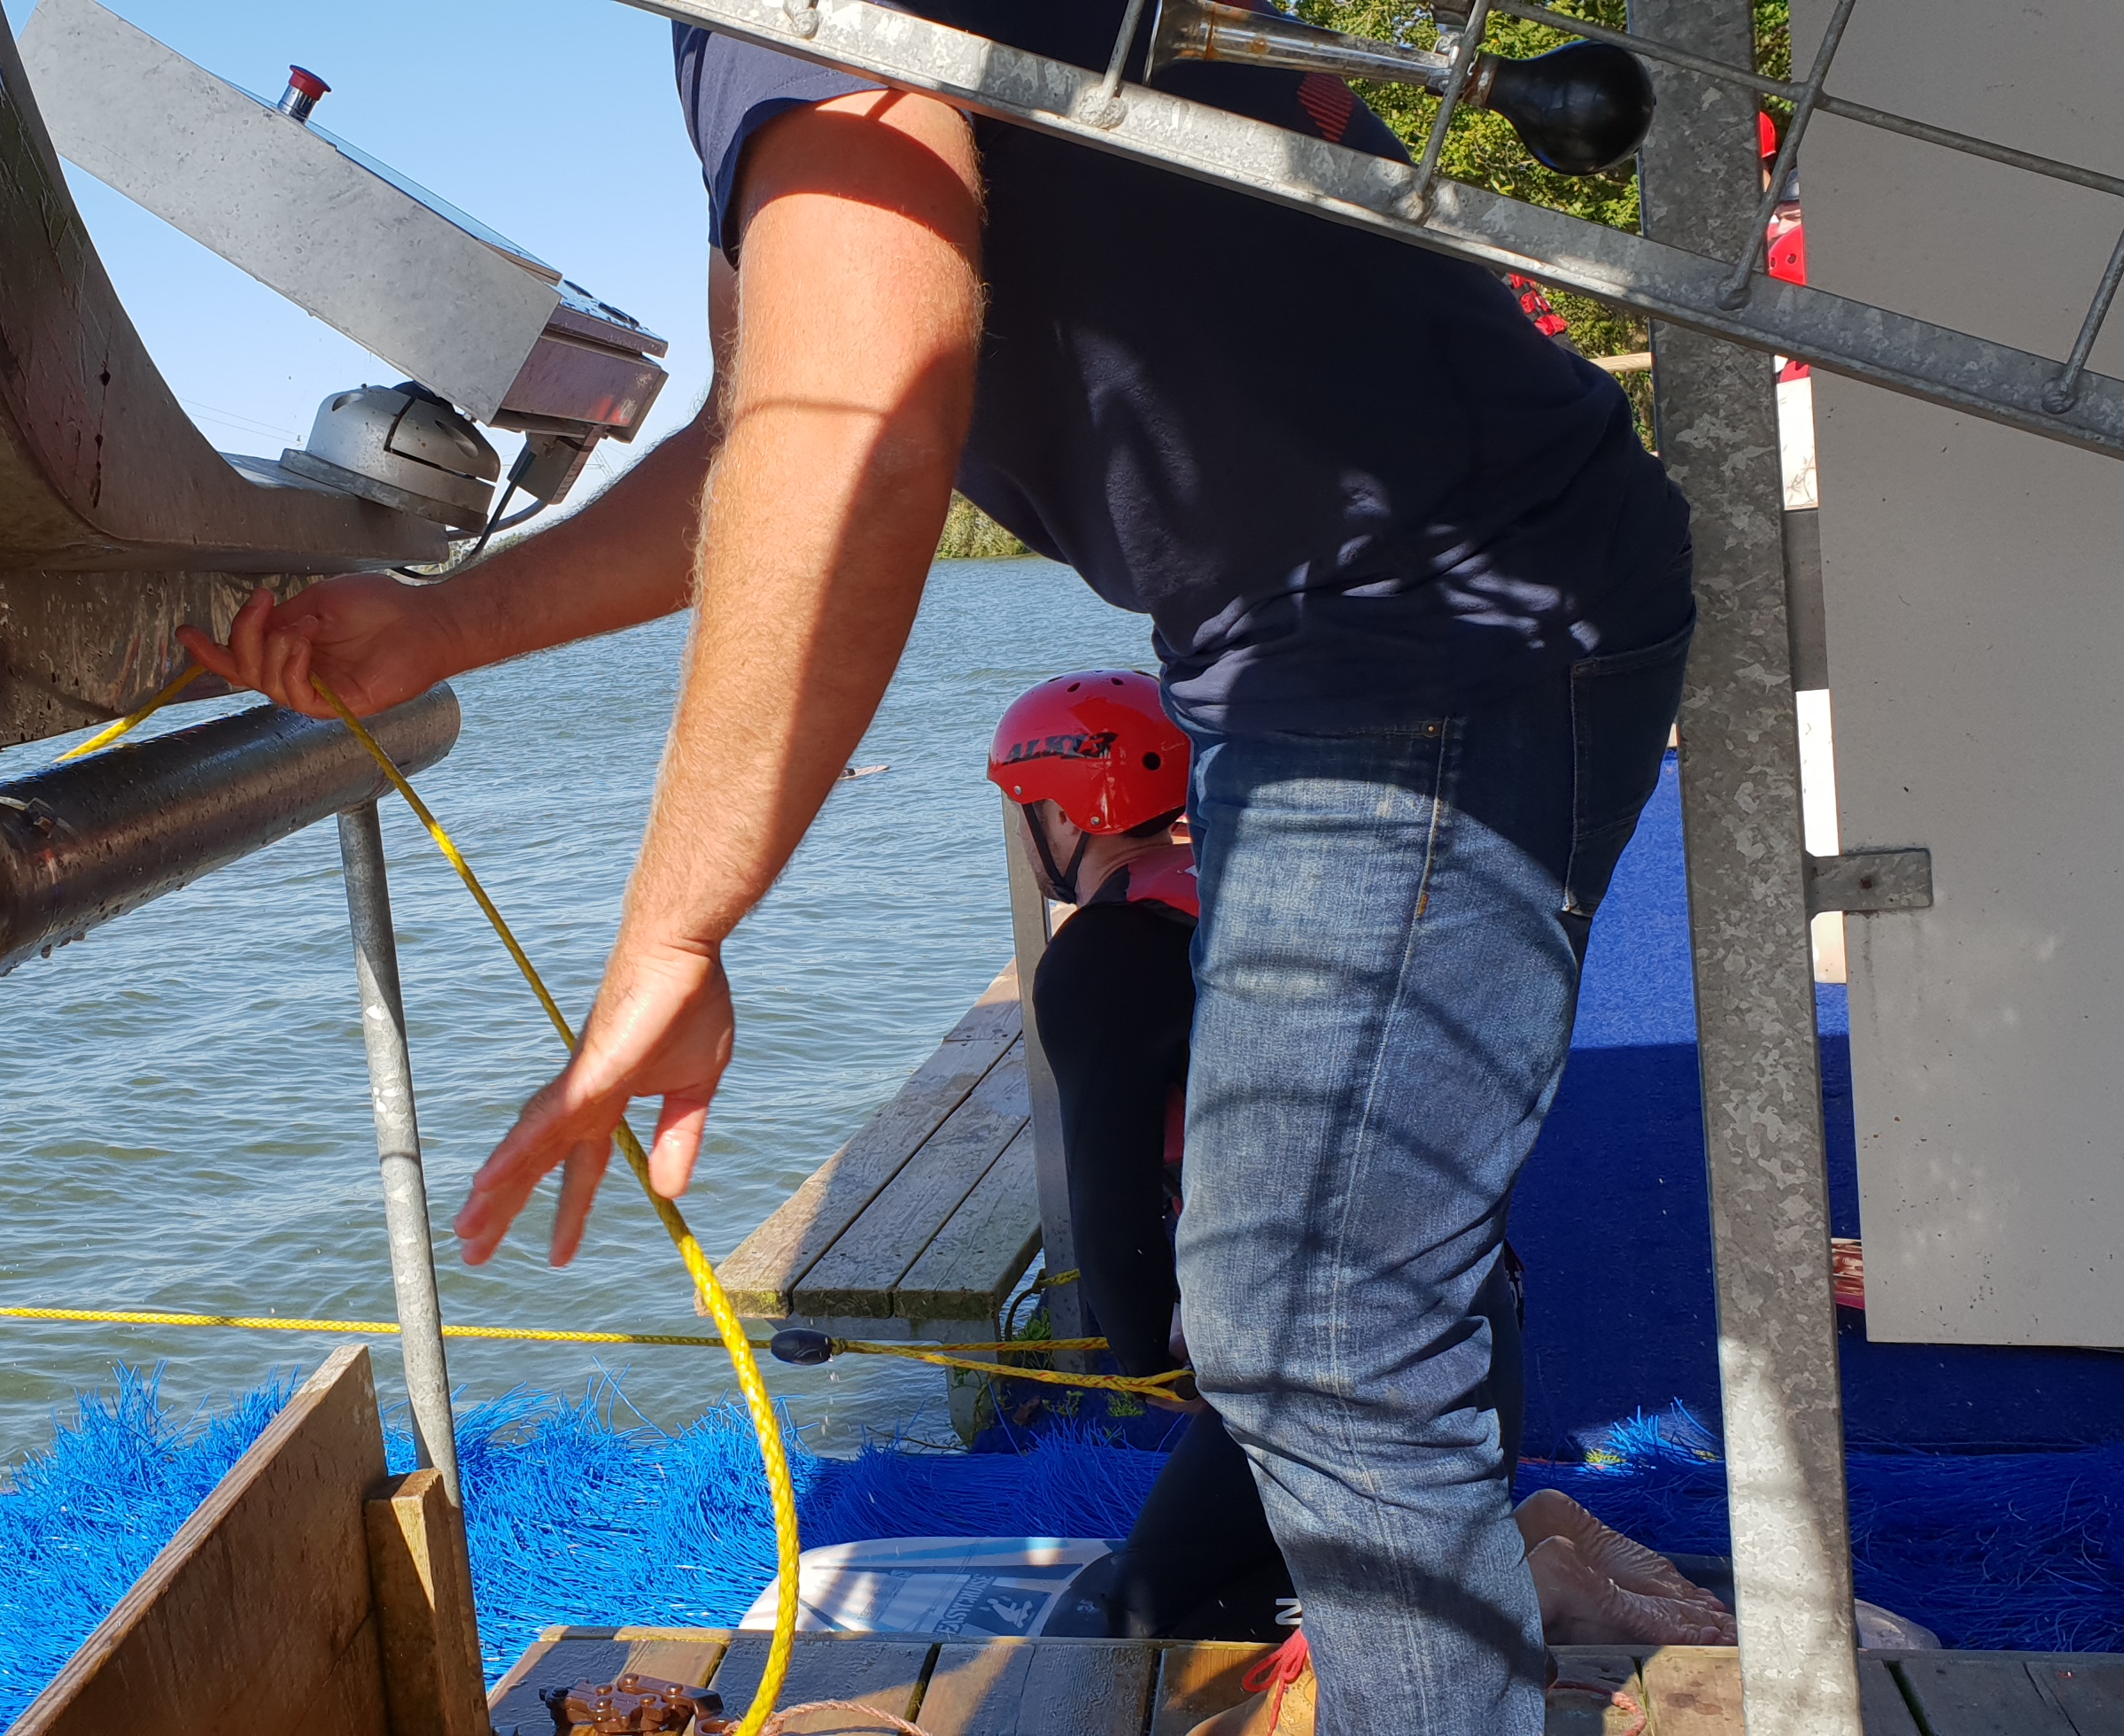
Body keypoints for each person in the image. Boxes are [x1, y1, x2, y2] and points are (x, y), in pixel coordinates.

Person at [183, 4, 1694, 1724]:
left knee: (1319, 1319)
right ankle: (1485, 1572)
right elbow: (761, 430)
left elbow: (858, 428)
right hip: (1331, 638)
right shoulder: (764, 46)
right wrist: (436, 631)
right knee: (1321, 1286)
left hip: (1435, 618)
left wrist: (676, 930)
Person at [993, 671, 1732, 1653]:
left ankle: (1527, 1580)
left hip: (1336, 1349)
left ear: (1062, 812)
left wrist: (1150, 1361)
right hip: (1469, 1310)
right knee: (1277, 1555)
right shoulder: (1263, 892)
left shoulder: (1105, 957)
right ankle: (1530, 1528)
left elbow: (1110, 1198)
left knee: (1136, 1619)